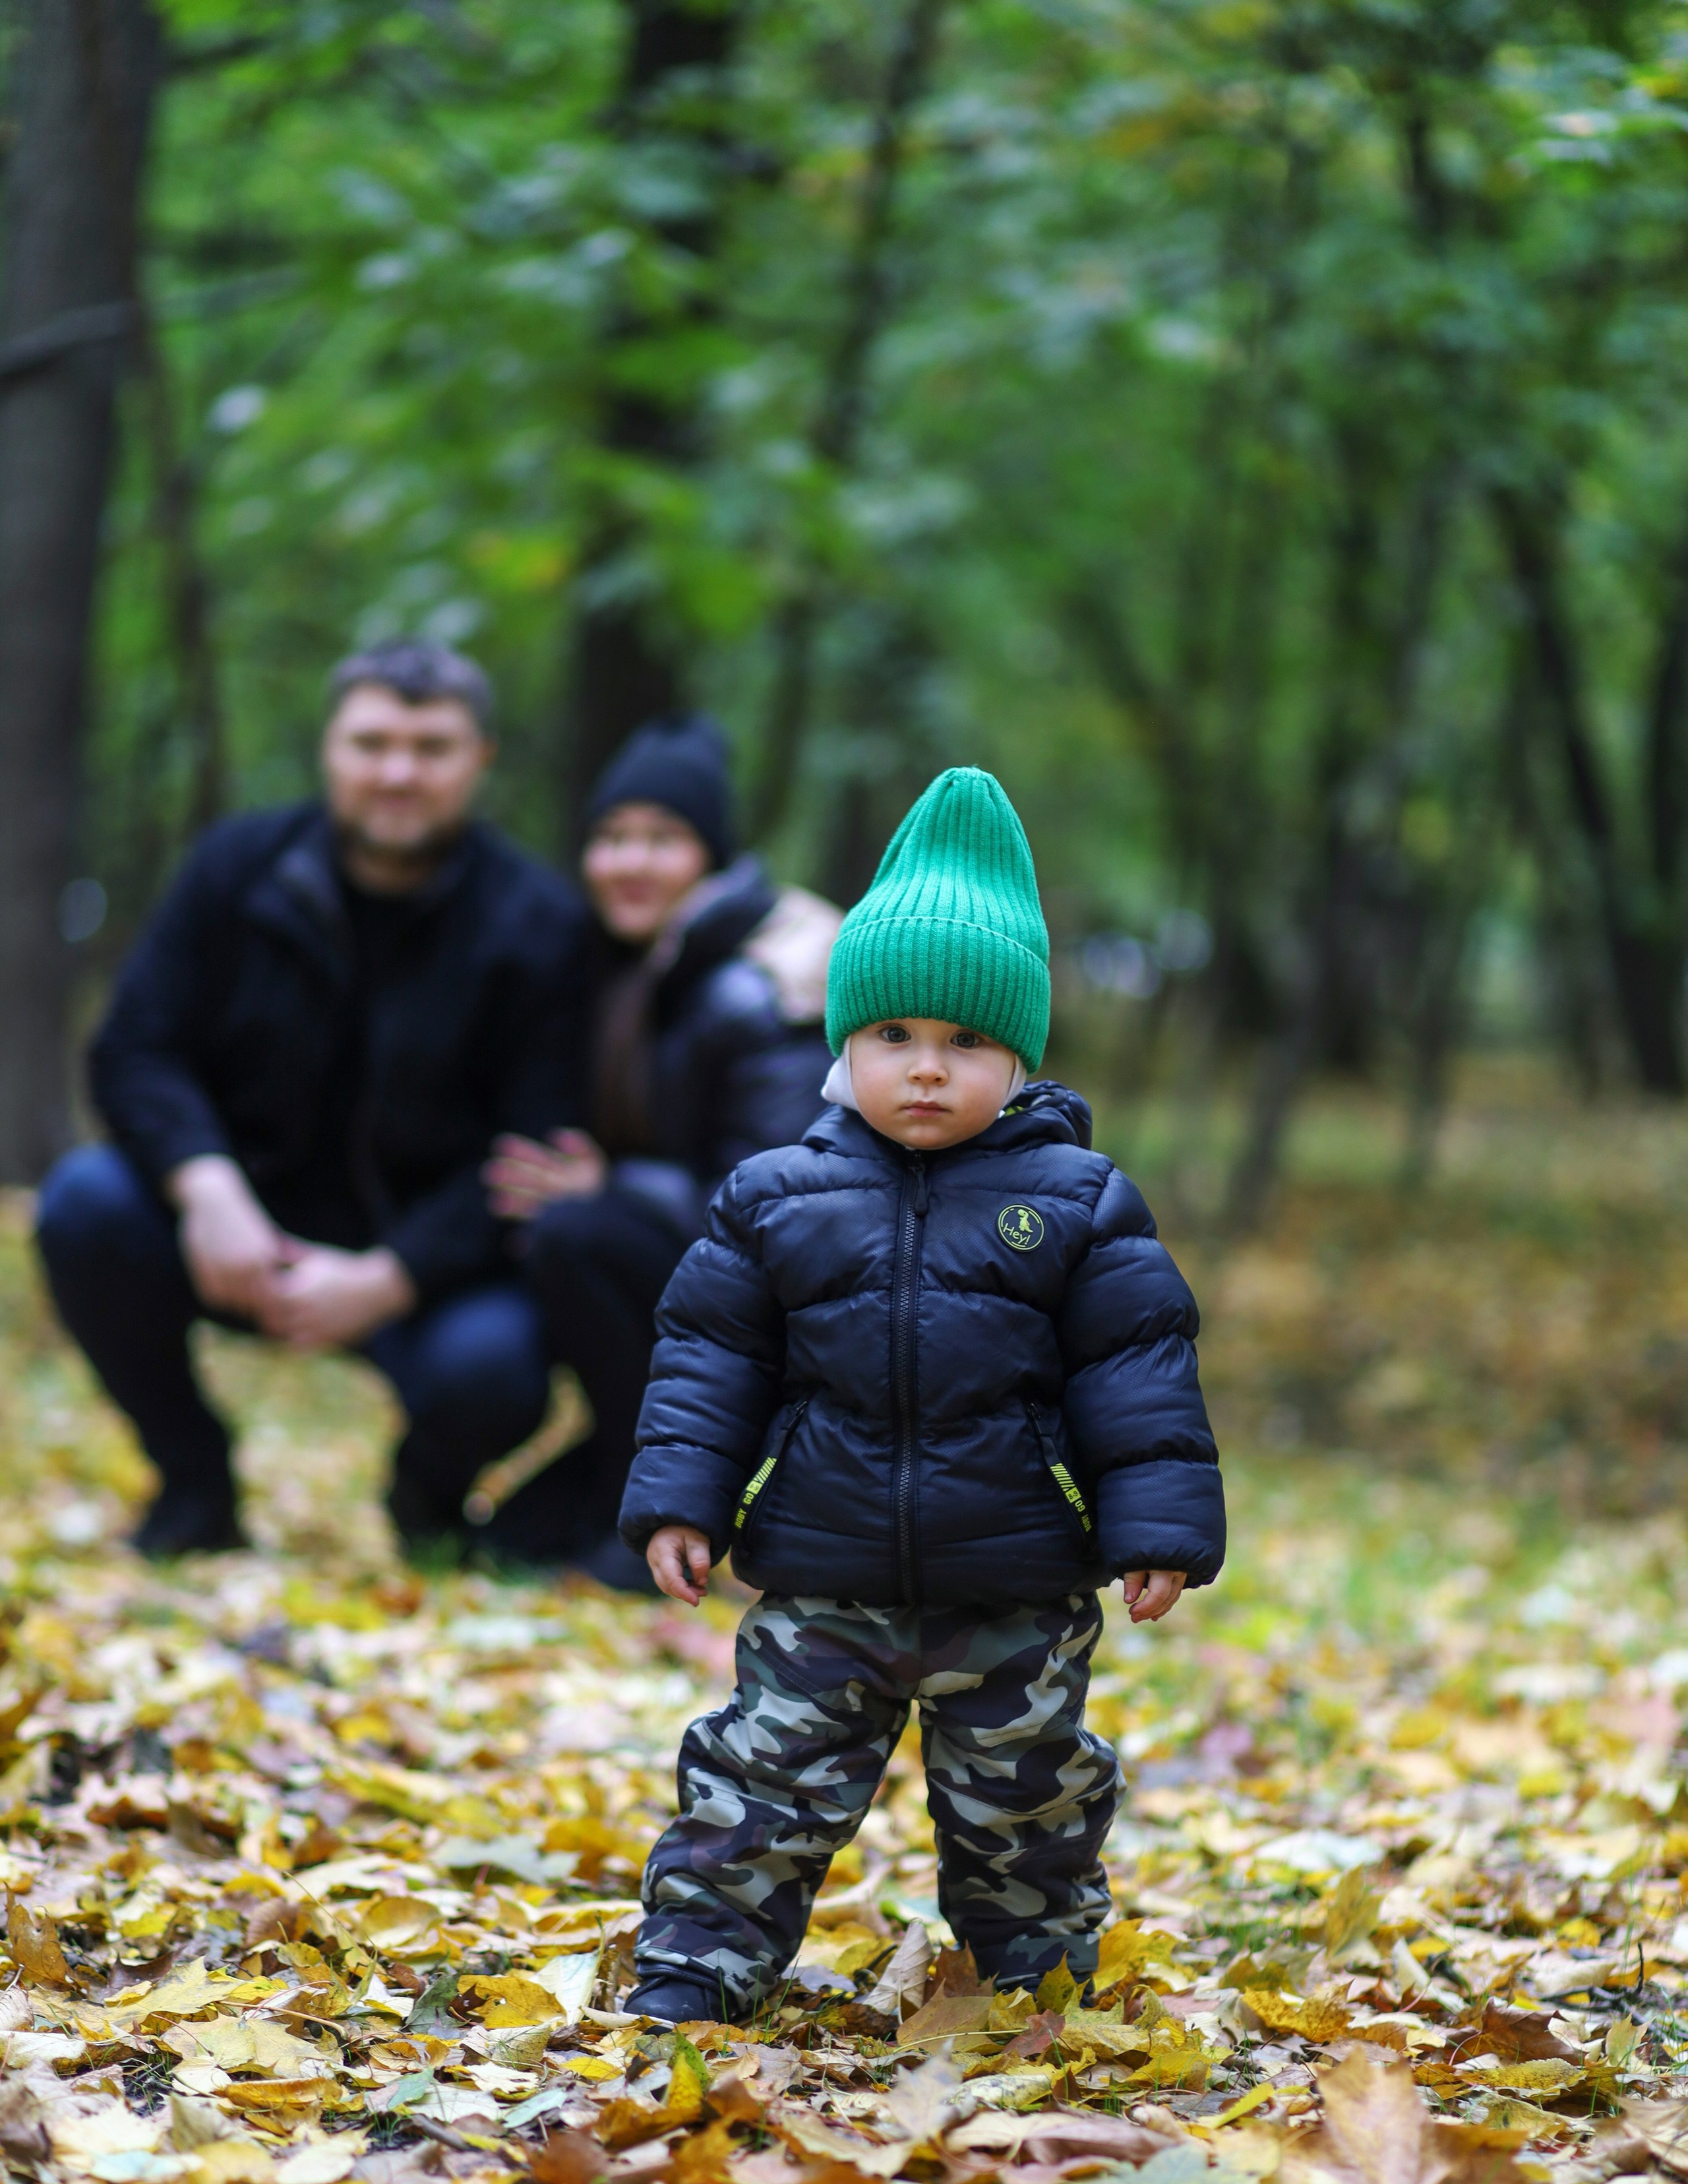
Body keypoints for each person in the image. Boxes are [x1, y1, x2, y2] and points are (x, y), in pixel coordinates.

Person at [615, 765, 1227, 2024]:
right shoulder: (777, 1195)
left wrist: (1156, 1528)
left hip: (1014, 1582)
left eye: (966, 1042)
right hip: (824, 1574)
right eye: (895, 1037)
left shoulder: (1079, 1202)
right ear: (846, 1043)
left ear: (1020, 1055)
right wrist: (683, 1499)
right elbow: (710, 1357)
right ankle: (695, 1974)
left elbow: (1138, 1370)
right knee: (758, 1788)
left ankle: (1036, 1982)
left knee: (1030, 1801)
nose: (928, 1070)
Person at [36, 641, 587, 1560]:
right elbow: (135, 1048)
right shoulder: (234, 868)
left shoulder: (538, 924)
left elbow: (528, 1154)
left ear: (480, 758)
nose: (398, 772)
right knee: (85, 1205)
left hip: (420, 1271)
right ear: (330, 749)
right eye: (371, 743)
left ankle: (426, 1503)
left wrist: (390, 1276)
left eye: (431, 747)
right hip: (235, 1233)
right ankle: (194, 1482)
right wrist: (206, 1189)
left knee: (497, 1371)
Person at [483, 713, 838, 1588]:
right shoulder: (632, 964)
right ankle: (620, 1481)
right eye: (610, 837)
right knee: (512, 1542)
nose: (629, 861)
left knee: (578, 1233)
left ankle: (666, 1513)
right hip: (696, 1293)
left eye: (661, 838)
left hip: (789, 1329)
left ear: (710, 856)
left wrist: (616, 1185)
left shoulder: (759, 988)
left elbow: (786, 1210)